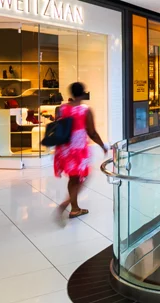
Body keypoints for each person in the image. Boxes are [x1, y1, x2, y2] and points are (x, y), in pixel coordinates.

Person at [54, 82, 107, 225]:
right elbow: (92, 132)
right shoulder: (85, 110)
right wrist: (103, 145)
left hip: (64, 149)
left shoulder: (61, 109)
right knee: (84, 176)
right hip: (78, 149)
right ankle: (67, 203)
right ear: (83, 94)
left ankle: (75, 208)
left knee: (73, 178)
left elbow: (58, 126)